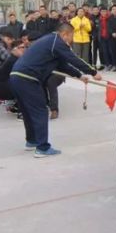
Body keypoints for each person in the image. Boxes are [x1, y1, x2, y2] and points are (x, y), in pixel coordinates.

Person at [10, 23, 102, 157]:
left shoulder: (49, 42)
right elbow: (73, 58)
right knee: (41, 111)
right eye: (71, 37)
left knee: (28, 111)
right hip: (28, 78)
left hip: (16, 77)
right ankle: (42, 148)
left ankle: (32, 141)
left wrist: (80, 76)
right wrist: (93, 72)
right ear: (65, 34)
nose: (71, 41)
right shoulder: (56, 42)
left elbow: (63, 65)